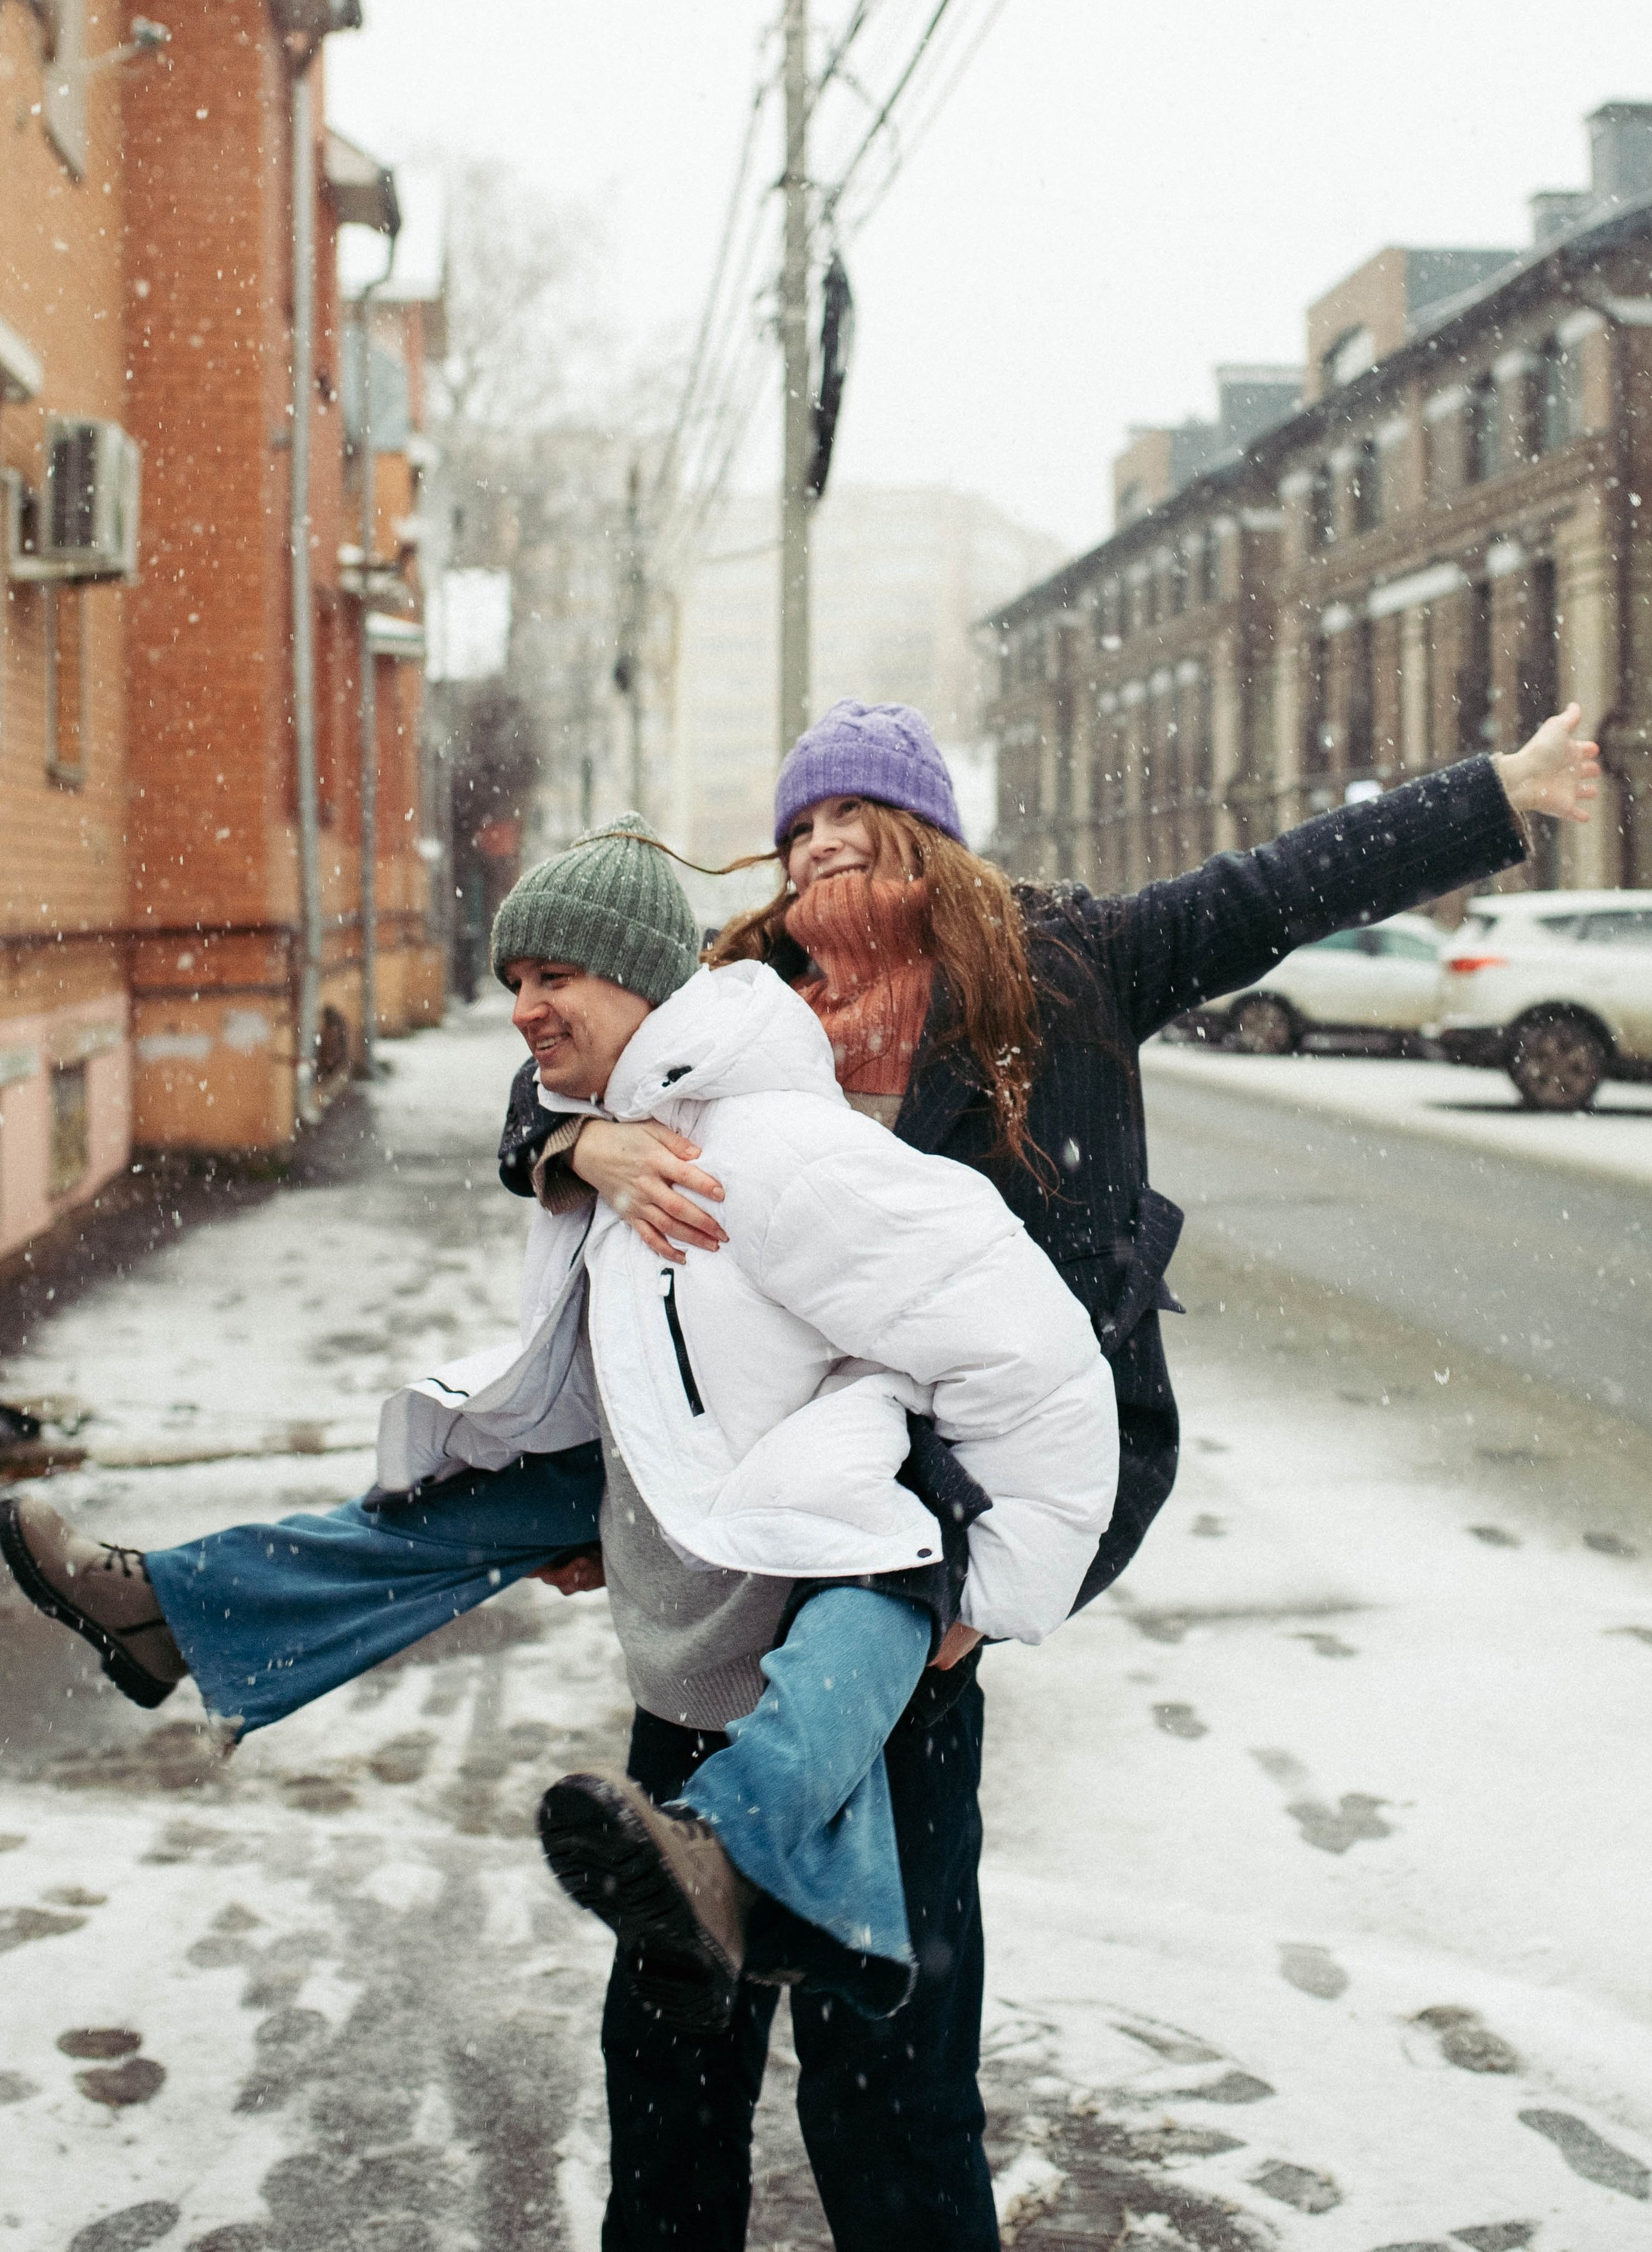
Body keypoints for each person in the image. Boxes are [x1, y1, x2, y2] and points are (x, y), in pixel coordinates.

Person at [487, 696, 1594, 2251]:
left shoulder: (1062, 973)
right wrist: (568, 1150)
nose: (820, 851)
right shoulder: (739, 997)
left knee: (889, 2063)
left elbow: (1273, 888)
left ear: (932, 839)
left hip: (927, 1552)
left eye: (856, 821)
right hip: (739, 1556)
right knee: (670, 2035)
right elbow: (555, 1054)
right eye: (799, 829)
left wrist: (1496, 794)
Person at [2, 823, 1117, 2054]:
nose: (527, 1011)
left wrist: (999, 1585)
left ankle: (736, 1854)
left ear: (640, 978)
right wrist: (572, 1151)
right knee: (455, 1504)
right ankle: (178, 1609)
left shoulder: (775, 1154)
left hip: (822, 1533)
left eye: (556, 980)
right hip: (696, 1507)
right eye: (515, 983)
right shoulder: (621, 1141)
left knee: (883, 1574)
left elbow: (1041, 1358)